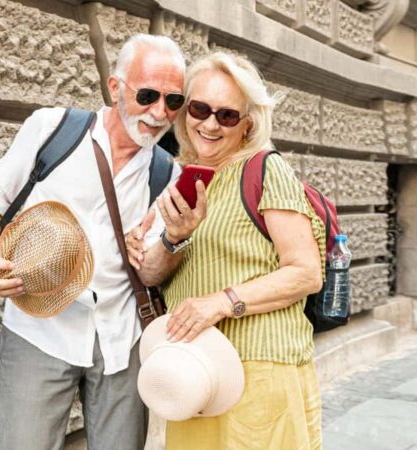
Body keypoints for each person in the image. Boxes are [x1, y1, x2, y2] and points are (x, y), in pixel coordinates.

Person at [0, 34, 206, 450]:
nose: (158, 112)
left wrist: (171, 242)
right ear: (115, 88)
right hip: (38, 331)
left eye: (173, 102)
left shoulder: (166, 173)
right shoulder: (51, 129)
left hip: (122, 339)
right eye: (147, 95)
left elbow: (152, 271)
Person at [127, 51, 325, 450]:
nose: (210, 124)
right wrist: (171, 239)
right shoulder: (184, 177)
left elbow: (306, 272)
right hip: (195, 377)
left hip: (258, 372)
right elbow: (151, 275)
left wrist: (220, 302)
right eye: (200, 109)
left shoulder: (265, 169)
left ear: (247, 122)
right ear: (185, 113)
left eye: (227, 115)